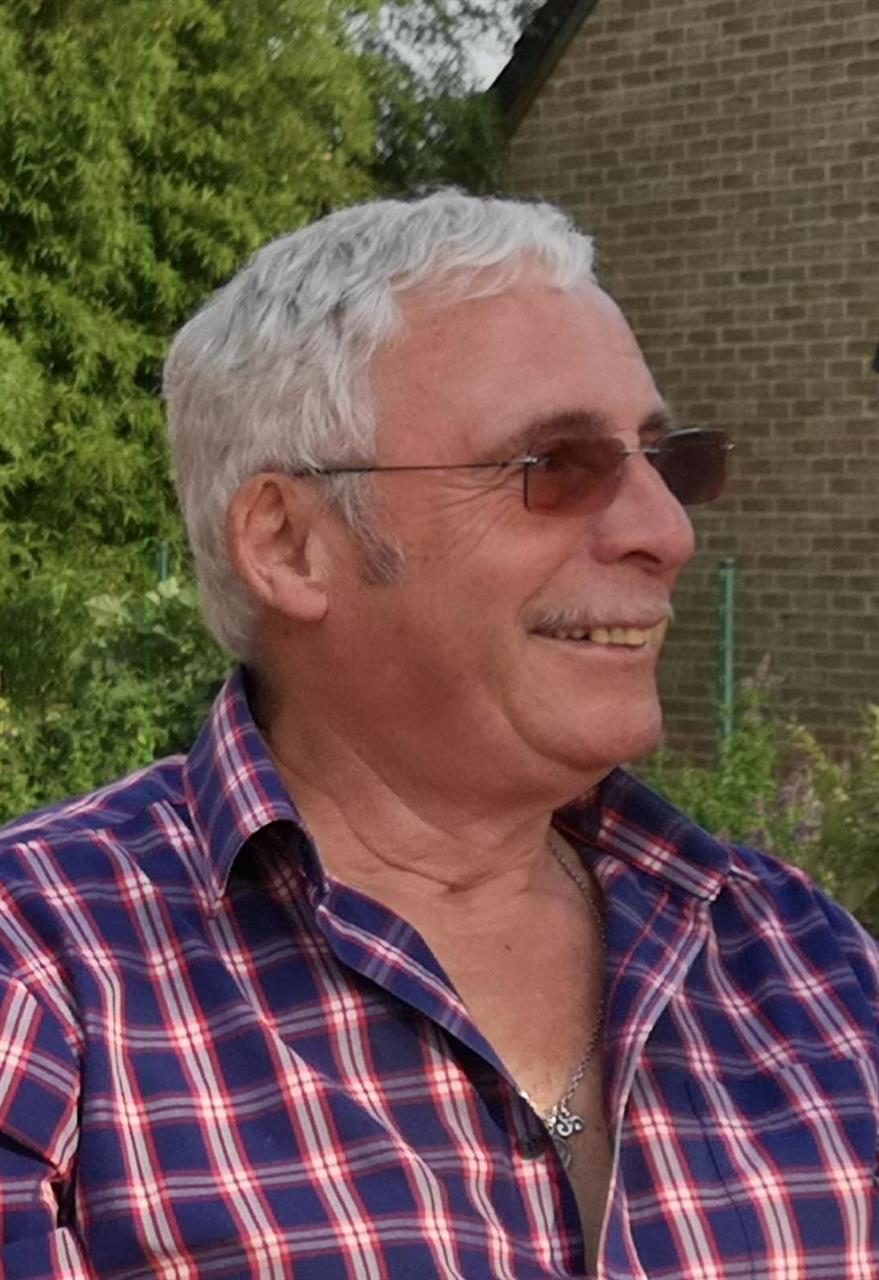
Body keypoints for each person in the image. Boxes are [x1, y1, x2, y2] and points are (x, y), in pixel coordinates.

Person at [0, 191, 875, 1280]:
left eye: (670, 462)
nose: (667, 530)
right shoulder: (47, 979)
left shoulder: (811, 966)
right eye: (553, 465)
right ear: (290, 544)